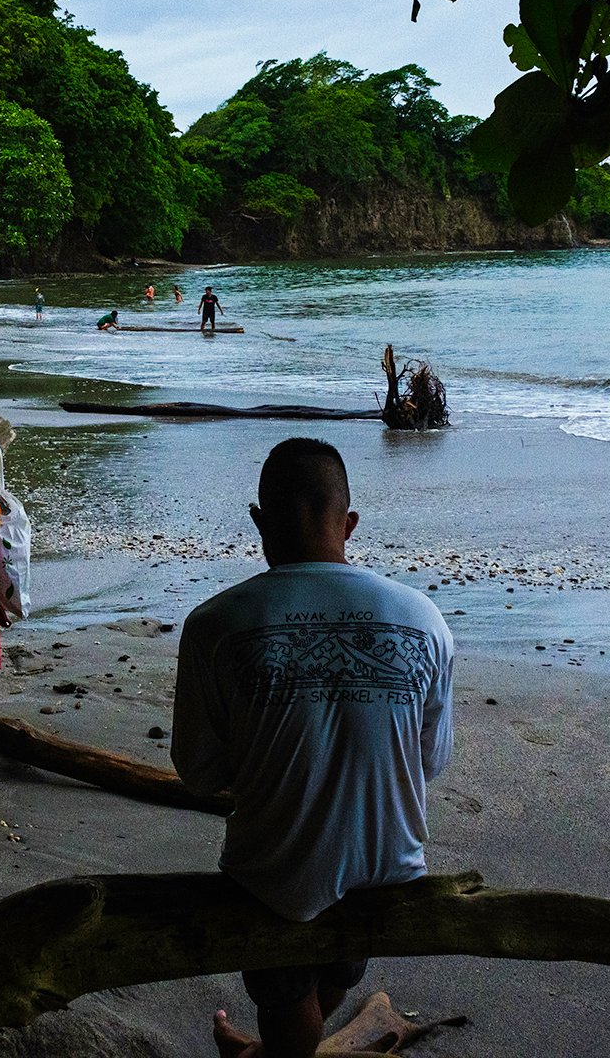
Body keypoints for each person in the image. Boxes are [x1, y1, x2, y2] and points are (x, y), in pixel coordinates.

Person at [172, 438, 454, 1058]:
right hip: (390, 868)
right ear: (349, 523)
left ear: (259, 522)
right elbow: (429, 762)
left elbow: (198, 773)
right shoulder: (423, 619)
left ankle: (280, 1047)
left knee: (283, 991)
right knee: (330, 971)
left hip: (277, 877)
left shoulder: (215, 624)